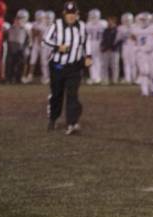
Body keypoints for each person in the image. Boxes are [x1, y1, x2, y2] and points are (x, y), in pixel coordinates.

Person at [43, 1, 92, 135]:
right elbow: (45, 40)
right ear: (64, 14)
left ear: (77, 14)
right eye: (68, 14)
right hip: (58, 66)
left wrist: (88, 56)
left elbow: (87, 41)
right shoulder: (56, 25)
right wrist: (58, 47)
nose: (71, 16)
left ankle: (72, 123)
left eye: (73, 14)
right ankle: (53, 118)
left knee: (72, 95)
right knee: (57, 95)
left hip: (74, 67)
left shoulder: (82, 26)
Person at [132, 12, 153, 96]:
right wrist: (137, 48)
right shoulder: (135, 29)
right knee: (144, 71)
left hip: (152, 53)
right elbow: (132, 39)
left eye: (144, 19)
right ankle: (144, 91)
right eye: (141, 19)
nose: (143, 21)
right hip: (141, 53)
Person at [5, 12, 30, 83]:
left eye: (19, 20)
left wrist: (24, 48)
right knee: (10, 64)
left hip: (20, 49)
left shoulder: (25, 29)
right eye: (17, 20)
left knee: (20, 64)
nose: (18, 21)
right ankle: (9, 78)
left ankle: (18, 78)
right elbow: (6, 38)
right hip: (11, 48)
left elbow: (27, 40)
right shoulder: (10, 29)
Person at [100, 15, 120, 85]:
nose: (109, 22)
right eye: (108, 21)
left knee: (114, 66)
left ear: (114, 22)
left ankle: (115, 80)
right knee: (104, 66)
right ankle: (105, 80)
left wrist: (112, 47)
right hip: (106, 50)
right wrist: (103, 47)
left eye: (110, 21)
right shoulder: (106, 30)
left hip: (114, 50)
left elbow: (118, 41)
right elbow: (104, 40)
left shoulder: (118, 30)